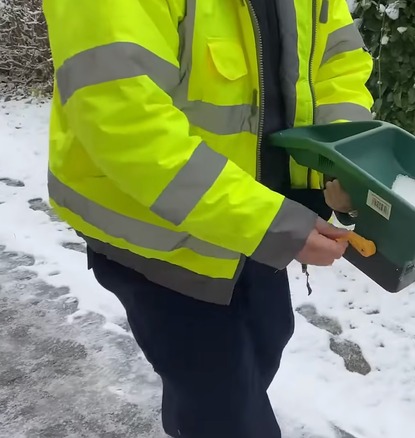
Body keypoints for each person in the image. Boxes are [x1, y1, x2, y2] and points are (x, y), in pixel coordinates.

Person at [42, 0, 373, 436]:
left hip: (259, 221)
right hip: (160, 240)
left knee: (262, 348)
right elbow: (127, 121)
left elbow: (336, 59)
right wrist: (269, 224)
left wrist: (343, 154)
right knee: (227, 411)